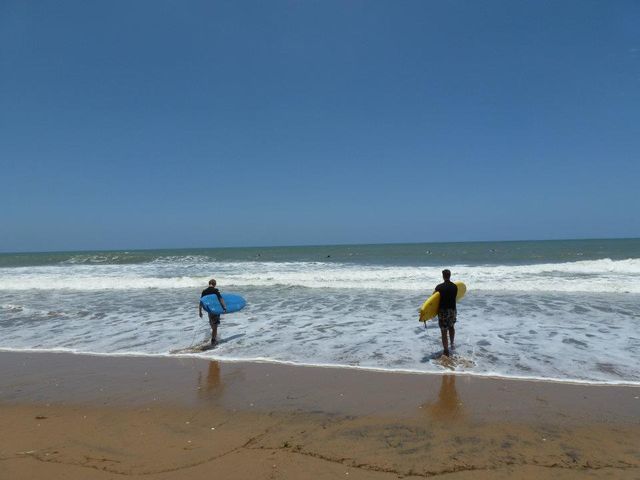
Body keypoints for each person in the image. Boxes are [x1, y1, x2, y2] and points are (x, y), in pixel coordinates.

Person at [434, 269, 458, 357]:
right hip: (452, 310)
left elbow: (433, 300)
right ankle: (452, 344)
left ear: (443, 276)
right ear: (450, 275)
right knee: (451, 327)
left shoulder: (439, 287)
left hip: (443, 311)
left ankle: (446, 350)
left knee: (444, 331)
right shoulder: (455, 287)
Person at [199, 279, 227, 345]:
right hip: (216, 310)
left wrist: (200, 311)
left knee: (212, 324)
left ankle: (213, 337)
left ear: (209, 283)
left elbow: (201, 301)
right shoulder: (216, 290)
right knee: (215, 326)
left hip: (209, 310)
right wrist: (224, 307)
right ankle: (213, 340)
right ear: (214, 284)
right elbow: (220, 299)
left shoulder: (204, 291)